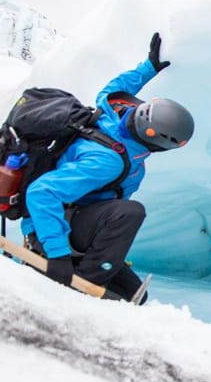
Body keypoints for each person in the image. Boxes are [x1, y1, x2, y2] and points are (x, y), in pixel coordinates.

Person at [22, 33, 194, 302]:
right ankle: (79, 288)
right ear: (157, 141)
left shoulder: (112, 111)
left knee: (136, 295)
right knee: (129, 212)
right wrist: (57, 255)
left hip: (78, 221)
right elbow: (41, 193)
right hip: (54, 228)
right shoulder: (108, 160)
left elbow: (117, 86)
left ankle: (89, 270)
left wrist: (149, 67)